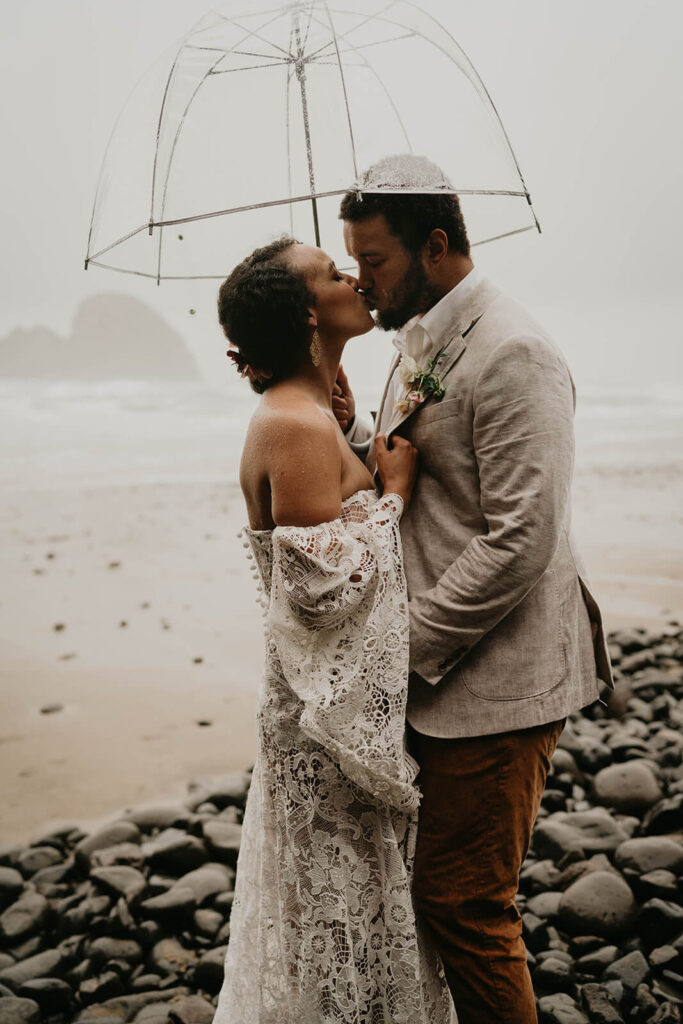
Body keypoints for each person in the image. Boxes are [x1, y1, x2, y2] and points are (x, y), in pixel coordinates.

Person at [334, 154, 614, 1024]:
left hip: (499, 683)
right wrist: (347, 421)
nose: (359, 280)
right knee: (444, 899)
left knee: (464, 904)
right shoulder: (413, 340)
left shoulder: (515, 350)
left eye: (372, 261)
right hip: (444, 680)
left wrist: (402, 651)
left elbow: (521, 537)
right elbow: (412, 477)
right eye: (352, 261)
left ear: (437, 245)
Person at [212, 236, 454, 1023]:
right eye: (330, 273)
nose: (352, 277)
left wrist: (349, 433)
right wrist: (392, 495)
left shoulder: (312, 415)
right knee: (333, 916)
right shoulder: (291, 424)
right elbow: (322, 593)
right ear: (309, 313)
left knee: (351, 912)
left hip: (327, 724)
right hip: (321, 731)